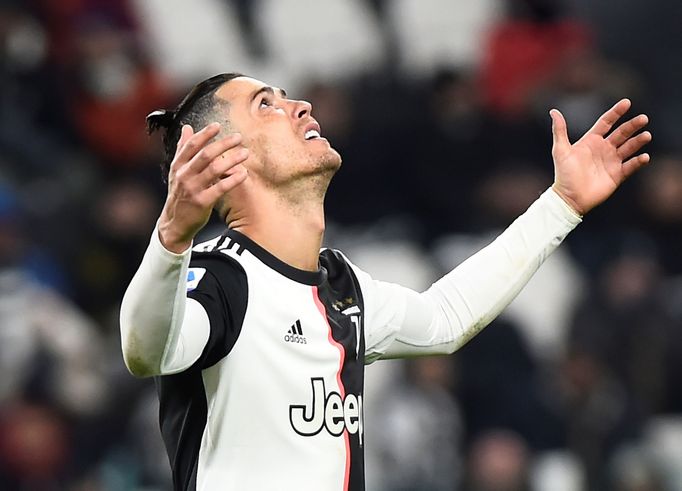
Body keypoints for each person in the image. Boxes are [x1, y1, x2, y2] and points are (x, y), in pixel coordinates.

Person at [119, 72, 651, 490]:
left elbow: (445, 320)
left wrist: (562, 205)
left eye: (286, 96)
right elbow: (146, 351)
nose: (299, 106)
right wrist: (172, 234)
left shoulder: (339, 285)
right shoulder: (220, 275)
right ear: (225, 158)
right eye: (266, 105)